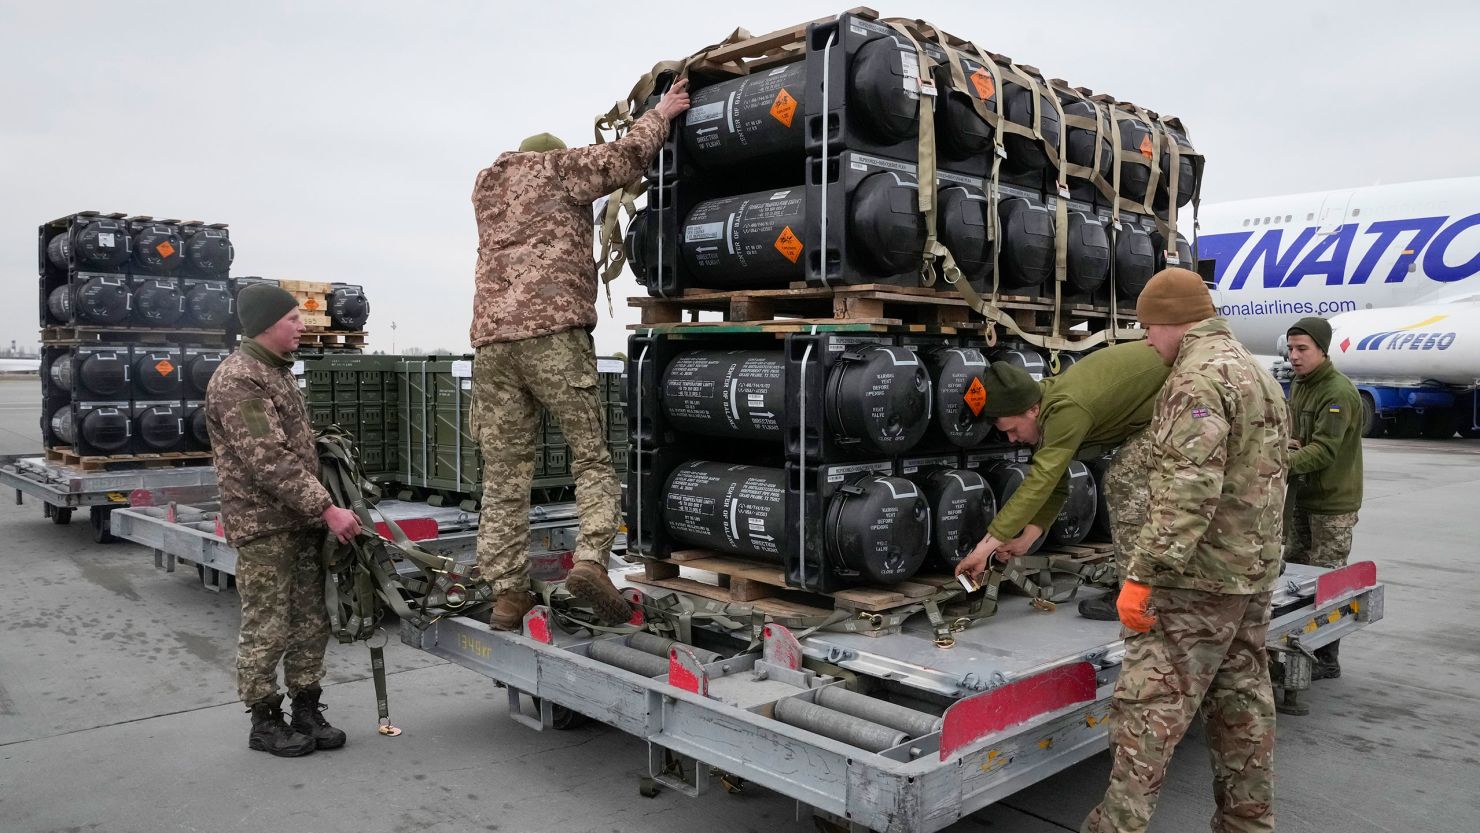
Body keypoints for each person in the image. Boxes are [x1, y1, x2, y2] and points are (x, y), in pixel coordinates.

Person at [469, 79, 691, 630]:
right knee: (590, 456)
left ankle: (507, 594)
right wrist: (660, 114)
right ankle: (590, 561)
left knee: (504, 475)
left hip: (492, 345)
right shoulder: (559, 169)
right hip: (553, 335)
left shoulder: (487, 187)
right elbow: (623, 159)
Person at [1080, 267, 1290, 833]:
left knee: (1147, 712)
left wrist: (1143, 574)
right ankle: (1248, 824)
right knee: (1242, 706)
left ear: (1172, 322)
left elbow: (1188, 487)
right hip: (1251, 574)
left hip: (1196, 581)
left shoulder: (1197, 378)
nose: (1147, 341)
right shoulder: (1258, 372)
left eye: (1148, 328)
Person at [206, 283, 362, 757]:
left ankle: (307, 707)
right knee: (268, 624)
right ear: (267, 324)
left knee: (310, 621)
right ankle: (265, 718)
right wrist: (327, 507)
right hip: (266, 526)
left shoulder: (276, 373)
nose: (302, 326)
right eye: (294, 319)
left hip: (299, 522)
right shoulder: (240, 380)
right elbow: (268, 459)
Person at [952, 342, 1170, 622]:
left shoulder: (1066, 409)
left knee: (1124, 480)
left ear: (1031, 410)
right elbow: (1055, 482)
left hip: (1186, 392)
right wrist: (1025, 540)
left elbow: (1041, 481)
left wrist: (984, 548)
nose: (1012, 439)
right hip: (1160, 404)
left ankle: (1139, 596)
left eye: (1012, 429)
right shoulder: (1046, 409)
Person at [1283, 315, 1363, 682]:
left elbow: (1324, 450)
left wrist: (1279, 461)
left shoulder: (1337, 391)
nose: (1294, 356)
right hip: (1303, 496)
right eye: (1291, 348)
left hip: (1332, 503)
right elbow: (1298, 436)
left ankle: (1326, 657)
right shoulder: (1300, 384)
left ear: (1322, 350)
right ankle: (1297, 647)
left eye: (1302, 349)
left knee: (1327, 583)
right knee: (1295, 578)